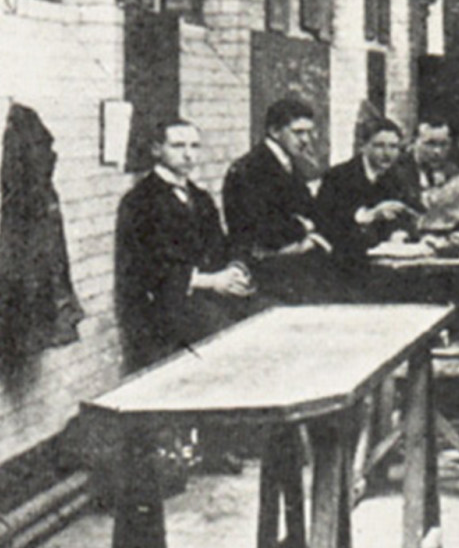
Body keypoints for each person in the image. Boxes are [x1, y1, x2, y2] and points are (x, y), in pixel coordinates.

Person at [115, 119, 256, 369]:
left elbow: (220, 245)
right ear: (156, 150)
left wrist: (235, 269)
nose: (189, 154)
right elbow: (145, 269)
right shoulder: (140, 201)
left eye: (194, 146)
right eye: (178, 146)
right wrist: (211, 281)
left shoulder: (200, 198)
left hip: (207, 301)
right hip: (164, 311)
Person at [223, 96, 344, 302]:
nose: (306, 139)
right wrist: (304, 229)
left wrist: (305, 228)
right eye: (298, 132)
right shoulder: (249, 169)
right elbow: (259, 229)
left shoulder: (291, 164)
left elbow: (311, 211)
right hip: (266, 270)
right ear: (274, 131)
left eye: (308, 132)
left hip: (296, 263)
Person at [316, 116, 417, 265]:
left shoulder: (397, 179)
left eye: (393, 147)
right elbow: (325, 221)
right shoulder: (338, 176)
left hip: (386, 260)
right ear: (362, 146)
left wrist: (399, 234)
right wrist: (369, 215)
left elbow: (406, 217)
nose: (387, 153)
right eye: (379, 146)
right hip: (343, 262)